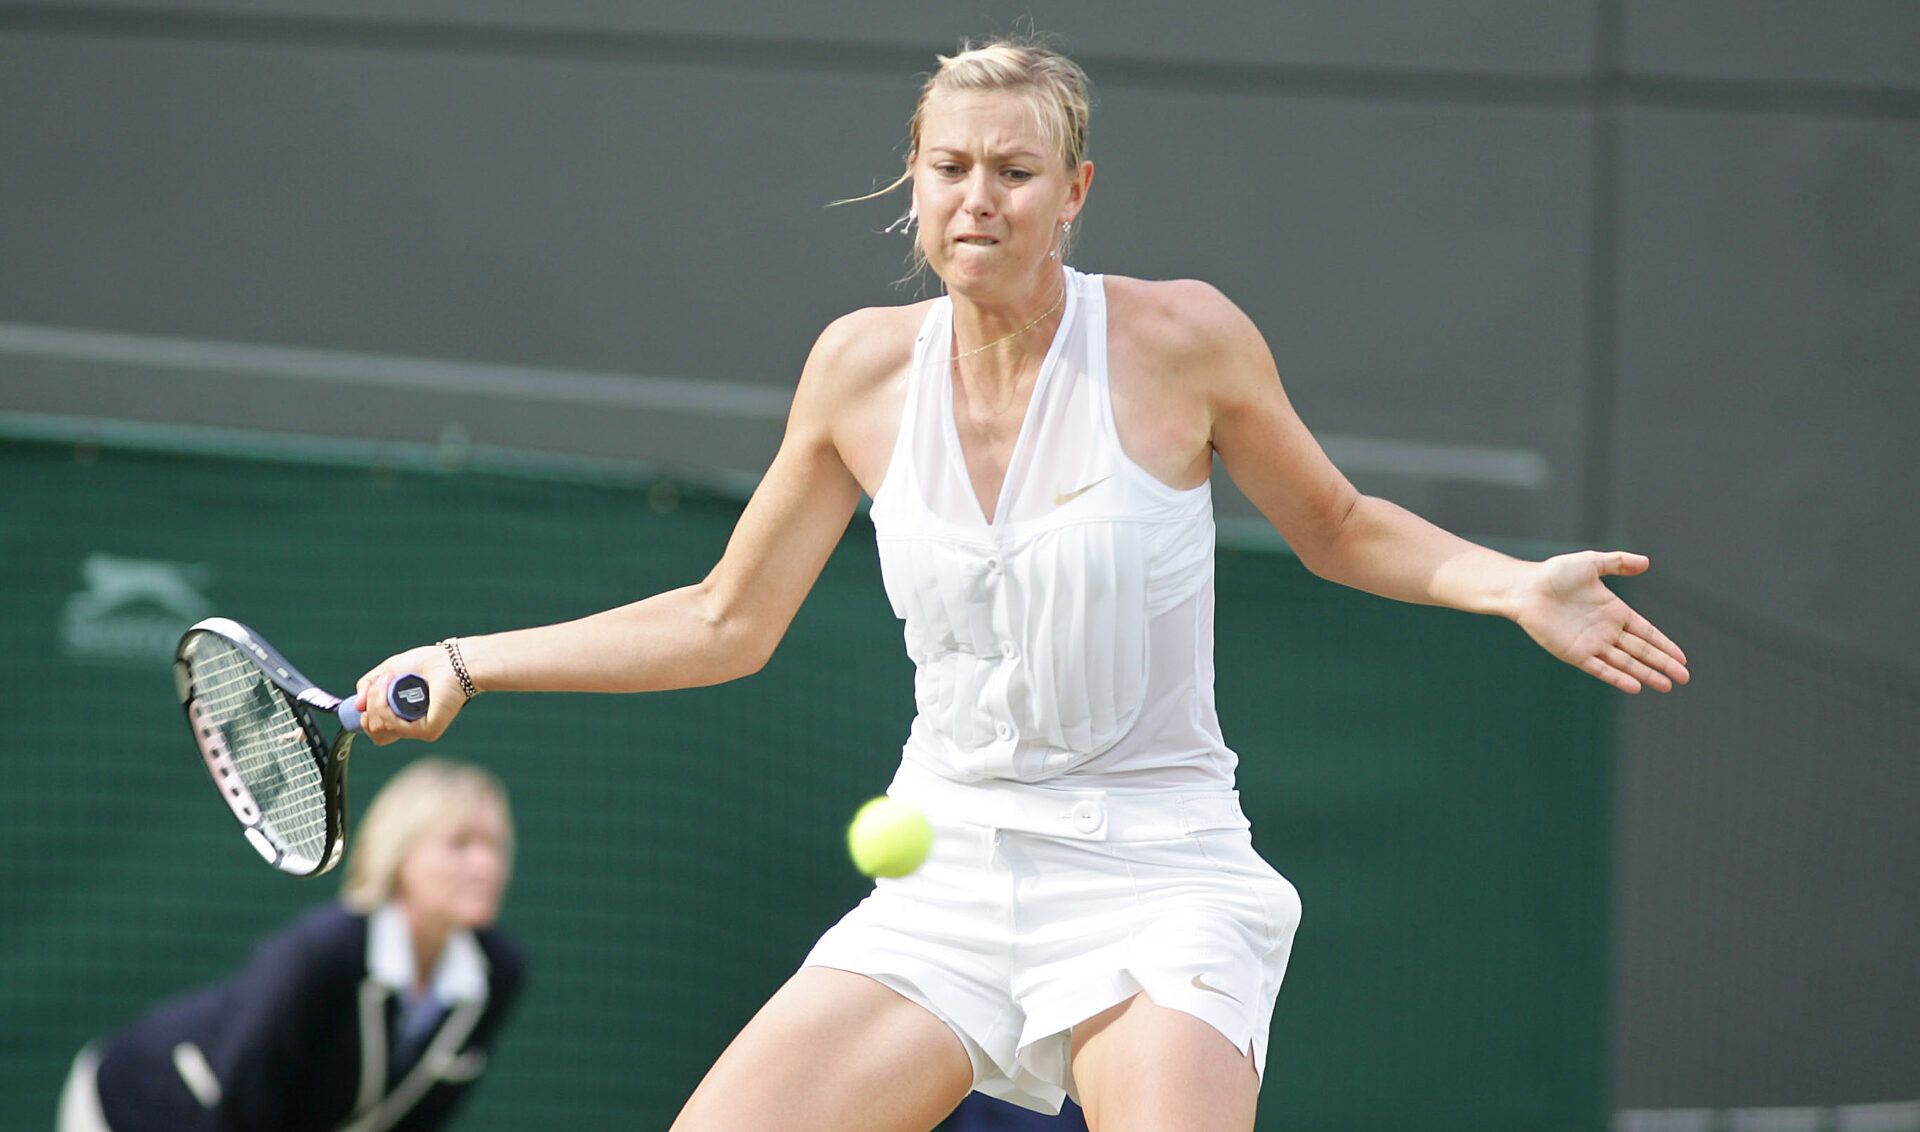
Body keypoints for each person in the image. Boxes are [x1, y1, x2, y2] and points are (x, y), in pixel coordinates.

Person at [349, 36, 1688, 1132]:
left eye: (1014, 170)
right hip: (953, 866)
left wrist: (1507, 583)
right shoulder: (858, 370)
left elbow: (1337, 526)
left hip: (1161, 871)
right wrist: (472, 659)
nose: (976, 197)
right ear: (912, 184)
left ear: (1075, 193)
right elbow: (724, 619)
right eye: (948, 167)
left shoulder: (1181, 341)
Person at [56, 759, 525, 1132]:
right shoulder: (321, 953)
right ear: (401, 854)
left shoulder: (497, 974)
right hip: (140, 1105)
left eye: (496, 845)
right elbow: (240, 1106)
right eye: (459, 844)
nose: (485, 865)